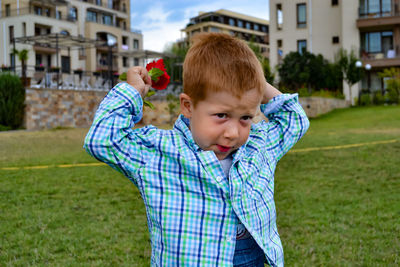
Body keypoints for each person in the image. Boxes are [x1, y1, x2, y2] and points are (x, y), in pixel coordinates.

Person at [84, 33, 310, 267]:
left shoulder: (257, 145)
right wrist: (132, 91)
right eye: (221, 115)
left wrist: (255, 82)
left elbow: (294, 120)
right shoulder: (158, 152)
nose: (233, 132)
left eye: (245, 117)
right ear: (188, 106)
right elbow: (102, 139)